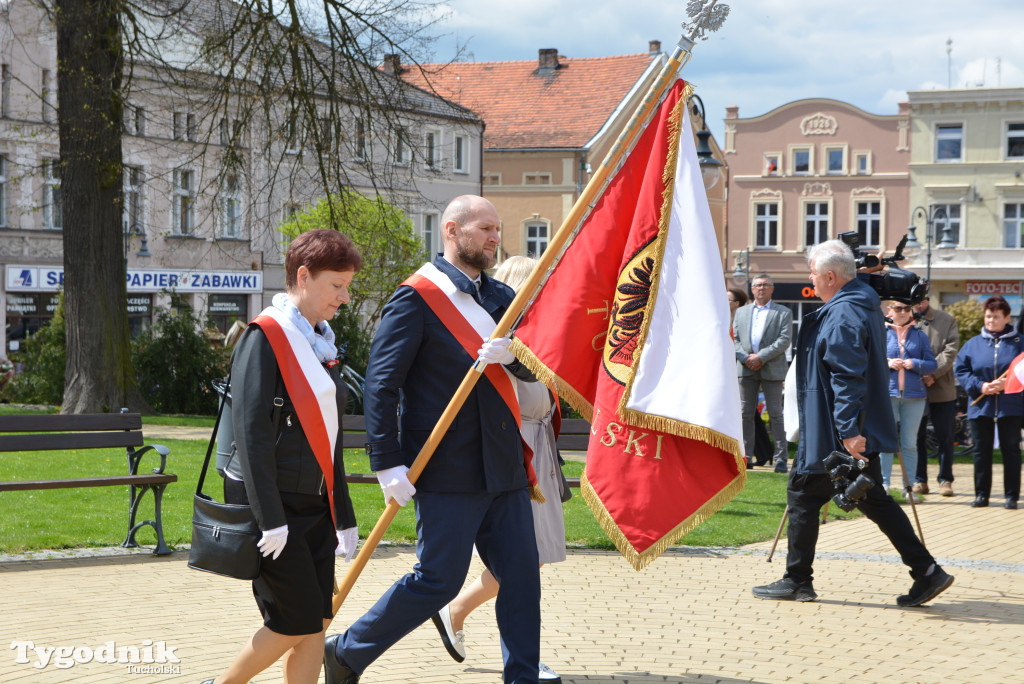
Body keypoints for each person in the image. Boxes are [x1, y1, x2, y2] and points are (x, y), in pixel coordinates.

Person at [324, 195, 543, 684]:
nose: (494, 237)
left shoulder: (500, 299)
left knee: (523, 579)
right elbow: (382, 385)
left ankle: (523, 677)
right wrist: (387, 463)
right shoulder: (417, 297)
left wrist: (512, 357)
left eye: (497, 229)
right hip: (445, 468)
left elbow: (534, 363)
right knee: (438, 580)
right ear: (451, 229)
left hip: (503, 467)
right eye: (484, 228)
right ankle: (346, 653)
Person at [752, 240, 953, 607]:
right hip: (845, 430)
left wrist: (847, 432)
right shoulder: (859, 300)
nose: (810, 278)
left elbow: (847, 377)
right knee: (873, 498)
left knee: (803, 494)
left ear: (830, 276)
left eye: (813, 273)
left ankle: (798, 580)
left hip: (836, 433)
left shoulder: (844, 313)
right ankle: (926, 572)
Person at [202, 229, 361, 684]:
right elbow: (251, 434)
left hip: (315, 507)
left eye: (347, 287)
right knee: (293, 621)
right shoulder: (265, 337)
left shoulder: (320, 343)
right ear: (304, 277)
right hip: (275, 509)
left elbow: (329, 438)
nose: (344, 298)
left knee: (317, 622)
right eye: (337, 286)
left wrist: (343, 516)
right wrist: (269, 517)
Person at [432, 255, 565, 684]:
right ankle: (464, 615)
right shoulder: (503, 342)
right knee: (524, 561)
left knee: (530, 561)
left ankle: (473, 622)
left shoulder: (526, 340)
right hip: (518, 450)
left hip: (537, 448)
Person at [953, 295, 1024, 509]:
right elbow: (961, 370)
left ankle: (1012, 496)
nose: (991, 321)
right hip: (980, 405)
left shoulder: (1019, 343)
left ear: (1007, 317)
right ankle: (981, 494)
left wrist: (1008, 383)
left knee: (1011, 450)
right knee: (981, 450)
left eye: (995, 317)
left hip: (1010, 406)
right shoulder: (973, 344)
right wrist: (980, 386)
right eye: (988, 317)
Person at [732, 273, 793, 472]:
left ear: (772, 289)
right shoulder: (741, 313)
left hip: (772, 368)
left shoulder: (783, 312)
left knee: (776, 414)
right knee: (744, 414)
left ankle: (781, 458)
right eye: (758, 285)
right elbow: (735, 339)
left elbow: (784, 340)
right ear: (752, 289)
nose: (761, 288)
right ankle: (746, 456)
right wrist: (746, 358)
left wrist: (761, 357)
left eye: (766, 285)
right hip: (745, 368)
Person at [879, 301, 937, 494]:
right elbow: (869, 360)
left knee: (910, 443)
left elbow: (932, 364)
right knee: (887, 441)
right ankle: (884, 485)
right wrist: (887, 362)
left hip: (915, 396)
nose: (903, 312)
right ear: (889, 310)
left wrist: (915, 363)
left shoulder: (919, 335)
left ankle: (909, 486)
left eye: (906, 308)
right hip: (888, 394)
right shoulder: (881, 332)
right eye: (898, 308)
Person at [912, 299, 960, 496]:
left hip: (942, 388)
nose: (917, 303)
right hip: (914, 388)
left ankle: (945, 479)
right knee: (916, 437)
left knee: (945, 436)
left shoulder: (946, 319)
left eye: (921, 298)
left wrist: (932, 373)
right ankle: (919, 480)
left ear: (927, 298)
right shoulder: (904, 318)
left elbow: (950, 350)